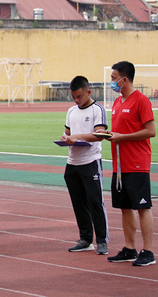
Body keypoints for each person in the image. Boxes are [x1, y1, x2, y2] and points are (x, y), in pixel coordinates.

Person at [102, 61, 156, 266]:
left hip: (137, 164)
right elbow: (119, 132)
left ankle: (148, 251)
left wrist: (122, 137)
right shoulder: (117, 103)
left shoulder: (141, 100)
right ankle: (129, 248)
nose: (111, 82)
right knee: (125, 207)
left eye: (114, 78)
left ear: (124, 79)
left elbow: (151, 131)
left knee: (142, 207)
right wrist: (109, 135)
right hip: (120, 166)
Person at [61, 76, 109, 255]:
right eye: (73, 96)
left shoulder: (97, 110)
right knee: (78, 203)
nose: (76, 100)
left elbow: (101, 134)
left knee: (95, 201)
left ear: (88, 92)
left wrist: (78, 137)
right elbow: (67, 132)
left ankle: (102, 240)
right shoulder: (71, 111)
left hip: (90, 161)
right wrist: (65, 139)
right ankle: (85, 238)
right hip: (72, 163)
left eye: (79, 96)